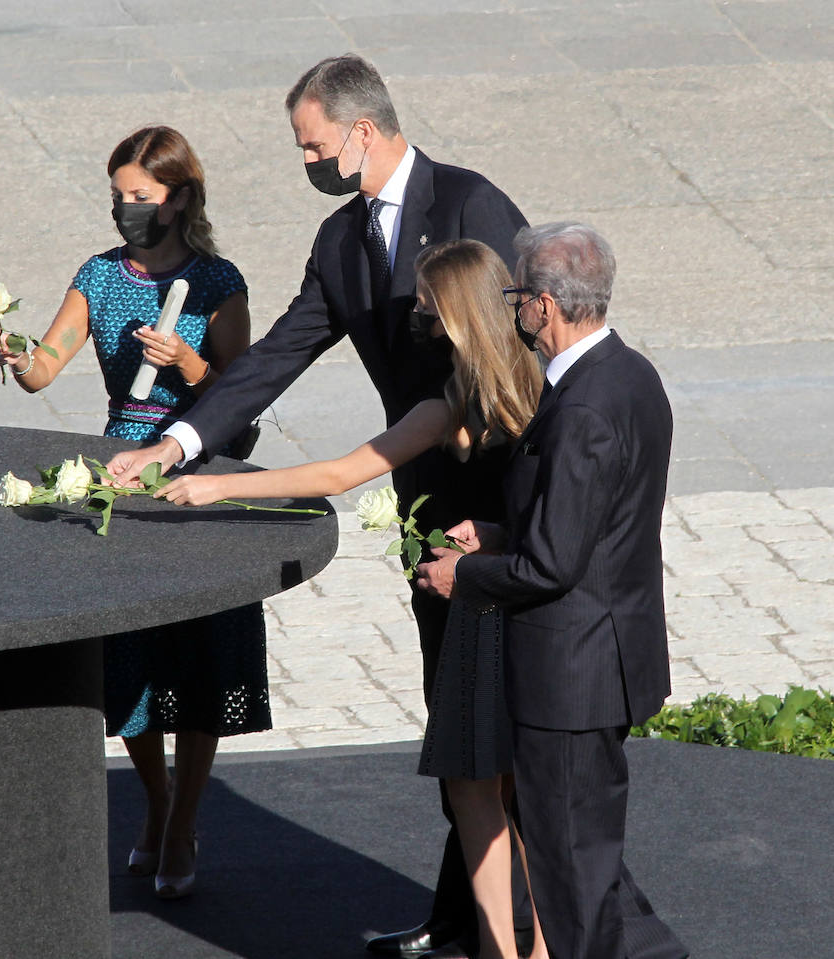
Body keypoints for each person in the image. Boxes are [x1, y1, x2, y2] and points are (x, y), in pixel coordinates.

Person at [106, 55, 529, 955]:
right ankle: (465, 922)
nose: (308, 163)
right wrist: (178, 442)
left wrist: (518, 504)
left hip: (504, 509)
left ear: (362, 133)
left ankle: (524, 928)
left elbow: (520, 350)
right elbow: (274, 357)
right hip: (424, 507)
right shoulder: (341, 243)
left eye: (313, 146)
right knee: (453, 722)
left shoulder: (470, 205)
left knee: (508, 736)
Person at [156, 239, 548, 959]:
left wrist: (217, 484)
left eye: (430, 314)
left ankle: (507, 947)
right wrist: (218, 482)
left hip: (487, 615)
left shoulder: (456, 405)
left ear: (459, 319)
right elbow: (341, 474)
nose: (422, 328)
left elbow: (339, 473)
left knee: (479, 789)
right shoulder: (533, 395)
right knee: (515, 793)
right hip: (516, 614)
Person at [0, 125, 268, 901]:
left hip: (200, 466)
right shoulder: (101, 276)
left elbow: (241, 398)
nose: (125, 210)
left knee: (203, 646)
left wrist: (192, 364)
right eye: (117, 196)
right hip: (120, 467)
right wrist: (15, 353)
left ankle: (185, 817)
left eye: (140, 197)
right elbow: (46, 368)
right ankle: (157, 796)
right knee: (129, 646)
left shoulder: (218, 283)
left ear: (177, 199)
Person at [416, 222, 689, 959]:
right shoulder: (631, 375)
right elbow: (595, 525)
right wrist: (502, 530)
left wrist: (461, 574)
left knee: (570, 885)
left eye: (516, 299)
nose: (512, 313)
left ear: (541, 305)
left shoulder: (580, 409)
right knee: (585, 870)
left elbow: (551, 569)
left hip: (570, 677)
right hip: (603, 660)